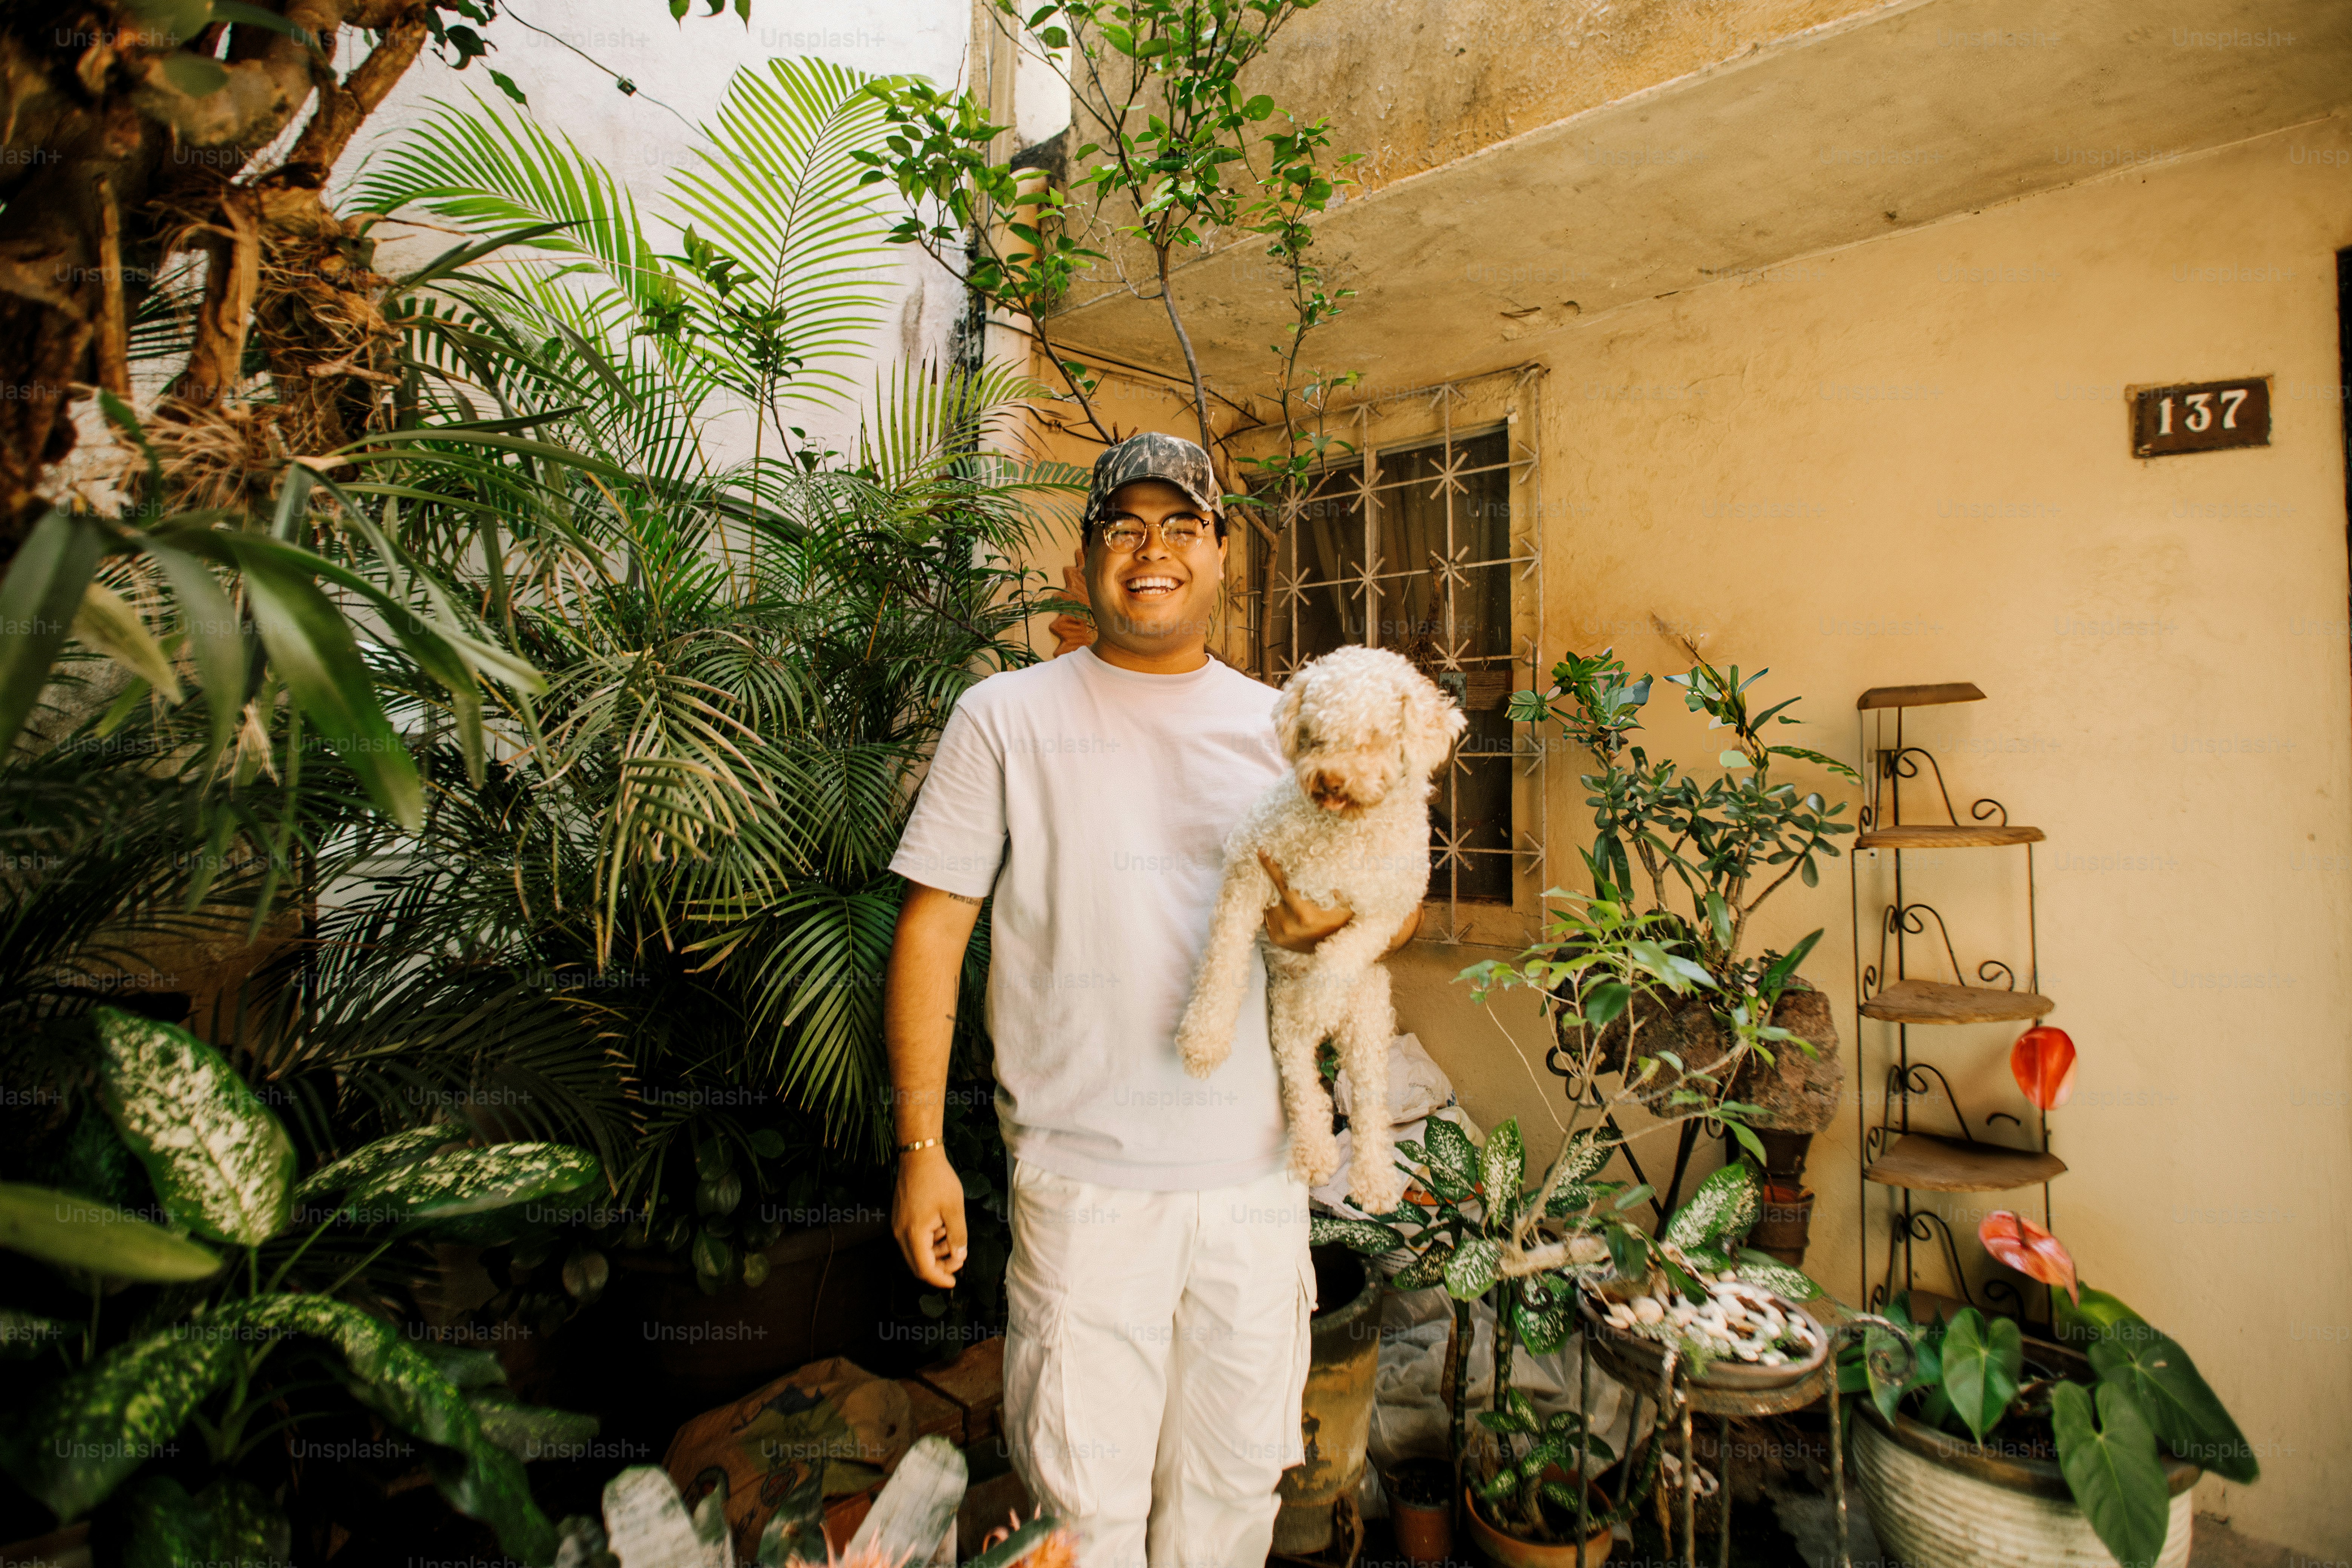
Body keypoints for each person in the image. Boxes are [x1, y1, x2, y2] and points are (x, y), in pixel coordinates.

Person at [883, 432, 1420, 1568]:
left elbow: (1390, 888)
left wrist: (1332, 931)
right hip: (1086, 1188)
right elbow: (935, 928)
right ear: (1085, 560)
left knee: (1232, 1503)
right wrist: (921, 1144)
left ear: (1222, 552)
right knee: (1080, 1517)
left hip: (1254, 1180)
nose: (1151, 551)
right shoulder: (1007, 719)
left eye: (1181, 525)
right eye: (1121, 527)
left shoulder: (1288, 724)